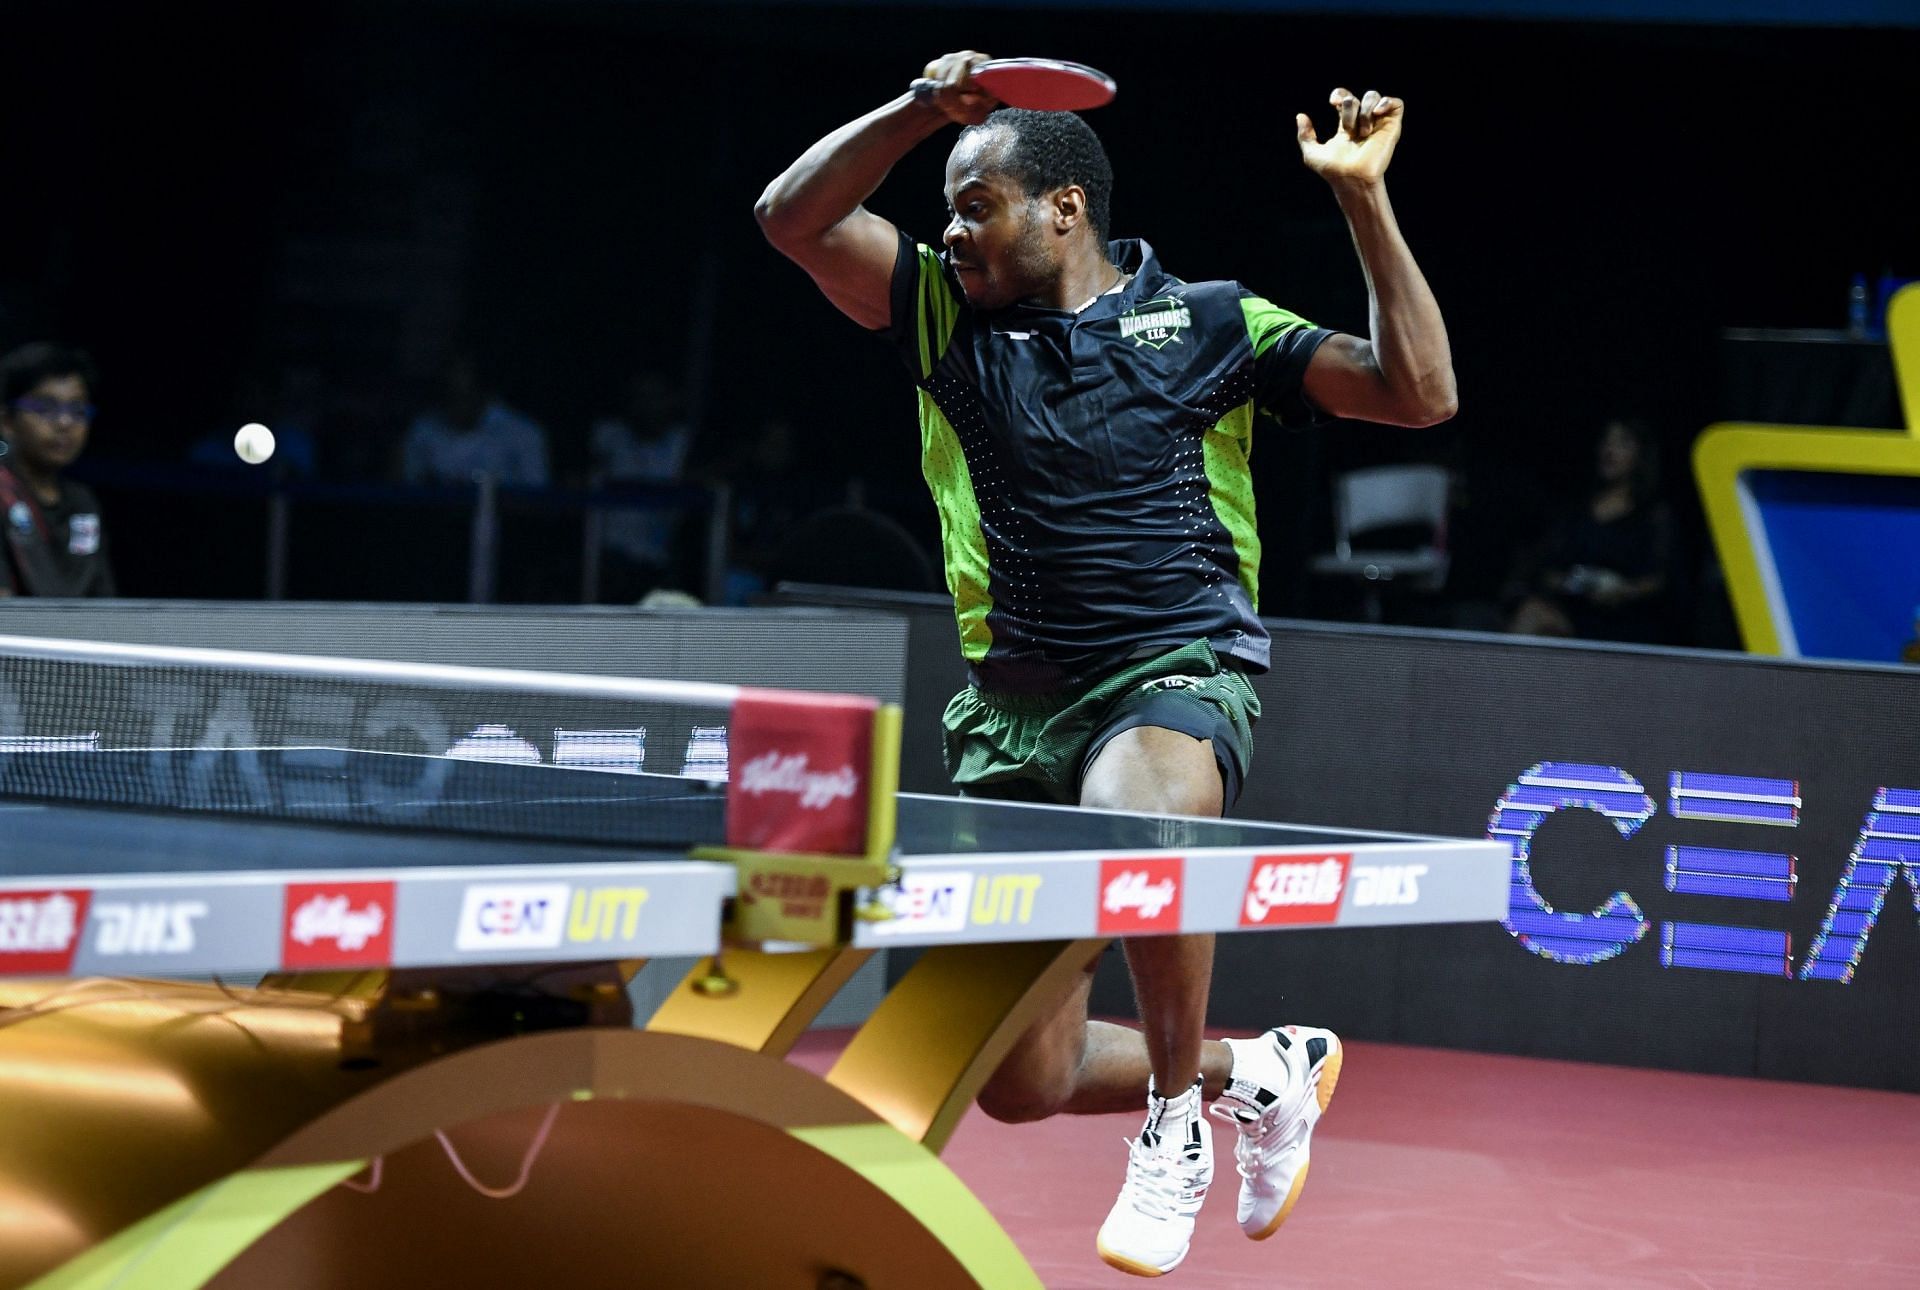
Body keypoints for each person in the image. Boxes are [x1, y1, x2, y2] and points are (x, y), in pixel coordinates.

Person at [756, 51, 1455, 1276]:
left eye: (979, 204)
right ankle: (1264, 1071)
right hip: (1012, 710)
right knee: (1024, 1079)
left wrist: (1361, 200)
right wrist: (926, 114)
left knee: (1136, 820)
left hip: (1173, 670)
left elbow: (1420, 393)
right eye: (950, 211)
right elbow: (789, 217)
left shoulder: (1217, 322)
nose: (953, 229)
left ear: (1064, 207)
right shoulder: (938, 313)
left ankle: (1175, 1127)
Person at [1507, 417, 1673, 643]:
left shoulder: (1652, 514)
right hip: (1572, 613)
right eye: (1606, 441)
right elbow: (1546, 568)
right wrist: (1573, 583)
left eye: (1622, 443)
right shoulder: (1578, 509)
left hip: (1626, 621)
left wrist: (1622, 590)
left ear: (1640, 454)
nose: (1610, 450)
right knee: (1531, 612)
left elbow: (1660, 580)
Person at [0, 342, 116, 598]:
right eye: (45, 408)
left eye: (76, 410)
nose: (64, 422)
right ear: (7, 420)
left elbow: (106, 606)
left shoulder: (83, 503)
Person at [400, 349, 550, 487]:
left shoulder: (523, 433)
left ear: (483, 392)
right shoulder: (423, 430)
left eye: (465, 396)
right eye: (451, 396)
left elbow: (537, 498)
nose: (458, 406)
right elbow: (408, 487)